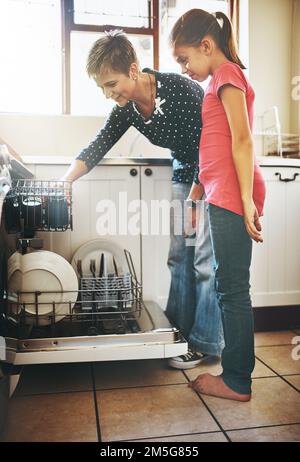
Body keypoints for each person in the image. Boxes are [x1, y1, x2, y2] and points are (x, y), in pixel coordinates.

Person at [60, 30, 224, 369]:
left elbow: (207, 147)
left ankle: (207, 343)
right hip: (184, 170)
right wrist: (66, 181)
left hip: (212, 171)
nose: (108, 94)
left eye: (111, 84)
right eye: (102, 88)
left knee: (204, 261)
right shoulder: (128, 108)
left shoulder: (180, 91)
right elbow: (99, 144)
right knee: (179, 256)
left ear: (133, 70)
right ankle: (178, 334)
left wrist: (195, 200)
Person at [170, 9, 266, 400]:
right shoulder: (219, 80)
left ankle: (237, 380)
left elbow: (241, 141)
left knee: (231, 290)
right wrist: (196, 194)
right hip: (222, 194)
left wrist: (245, 201)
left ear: (206, 46)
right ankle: (236, 375)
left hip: (232, 196)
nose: (184, 68)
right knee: (229, 285)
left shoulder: (226, 75)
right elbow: (213, 145)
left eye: (185, 59)